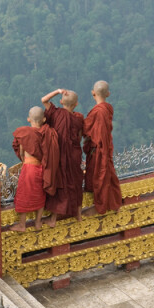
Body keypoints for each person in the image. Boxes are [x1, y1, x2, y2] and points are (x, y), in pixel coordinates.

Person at [11, 106, 59, 232]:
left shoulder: (24, 133)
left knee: (23, 194)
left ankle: (22, 225)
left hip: (29, 168)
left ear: (28, 119)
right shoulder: (48, 133)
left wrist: (24, 161)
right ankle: (38, 223)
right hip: (42, 167)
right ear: (44, 119)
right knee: (40, 194)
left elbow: (21, 152)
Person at [41, 88, 84, 226]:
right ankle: (78, 215)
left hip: (59, 156)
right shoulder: (78, 119)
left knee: (60, 184)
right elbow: (79, 137)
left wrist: (58, 91)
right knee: (76, 183)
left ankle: (53, 219)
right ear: (76, 104)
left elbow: (44, 100)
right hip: (74, 155)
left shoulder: (55, 113)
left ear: (60, 101)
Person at [83, 81, 122, 215]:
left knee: (100, 177)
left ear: (93, 93)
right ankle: (114, 204)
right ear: (108, 94)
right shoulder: (107, 108)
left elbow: (85, 129)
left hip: (98, 149)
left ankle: (100, 206)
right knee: (107, 175)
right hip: (106, 147)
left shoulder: (96, 112)